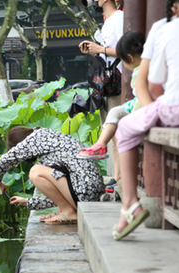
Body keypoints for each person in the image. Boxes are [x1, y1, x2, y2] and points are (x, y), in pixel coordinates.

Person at [113, 0, 179, 241]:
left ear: (174, 7)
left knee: (124, 127)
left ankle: (130, 203)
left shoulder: (164, 27)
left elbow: (153, 83)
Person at [0, 126, 105, 225]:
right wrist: (28, 202)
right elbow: (60, 196)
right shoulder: (49, 138)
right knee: (42, 171)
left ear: (20, 144)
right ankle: (64, 210)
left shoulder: (36, 138)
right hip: (90, 193)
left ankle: (68, 211)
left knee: (35, 172)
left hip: (85, 191)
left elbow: (5, 159)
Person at [77, 31, 146, 160]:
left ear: (130, 58)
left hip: (142, 106)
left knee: (121, 124)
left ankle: (100, 145)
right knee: (115, 112)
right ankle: (100, 145)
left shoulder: (141, 72)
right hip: (139, 103)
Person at [79, 0, 125, 180]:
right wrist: (95, 51)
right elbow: (107, 53)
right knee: (111, 132)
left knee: (117, 132)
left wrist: (101, 49)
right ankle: (117, 177)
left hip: (118, 82)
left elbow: (125, 50)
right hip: (107, 84)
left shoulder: (119, 18)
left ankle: (120, 178)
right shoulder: (107, 22)